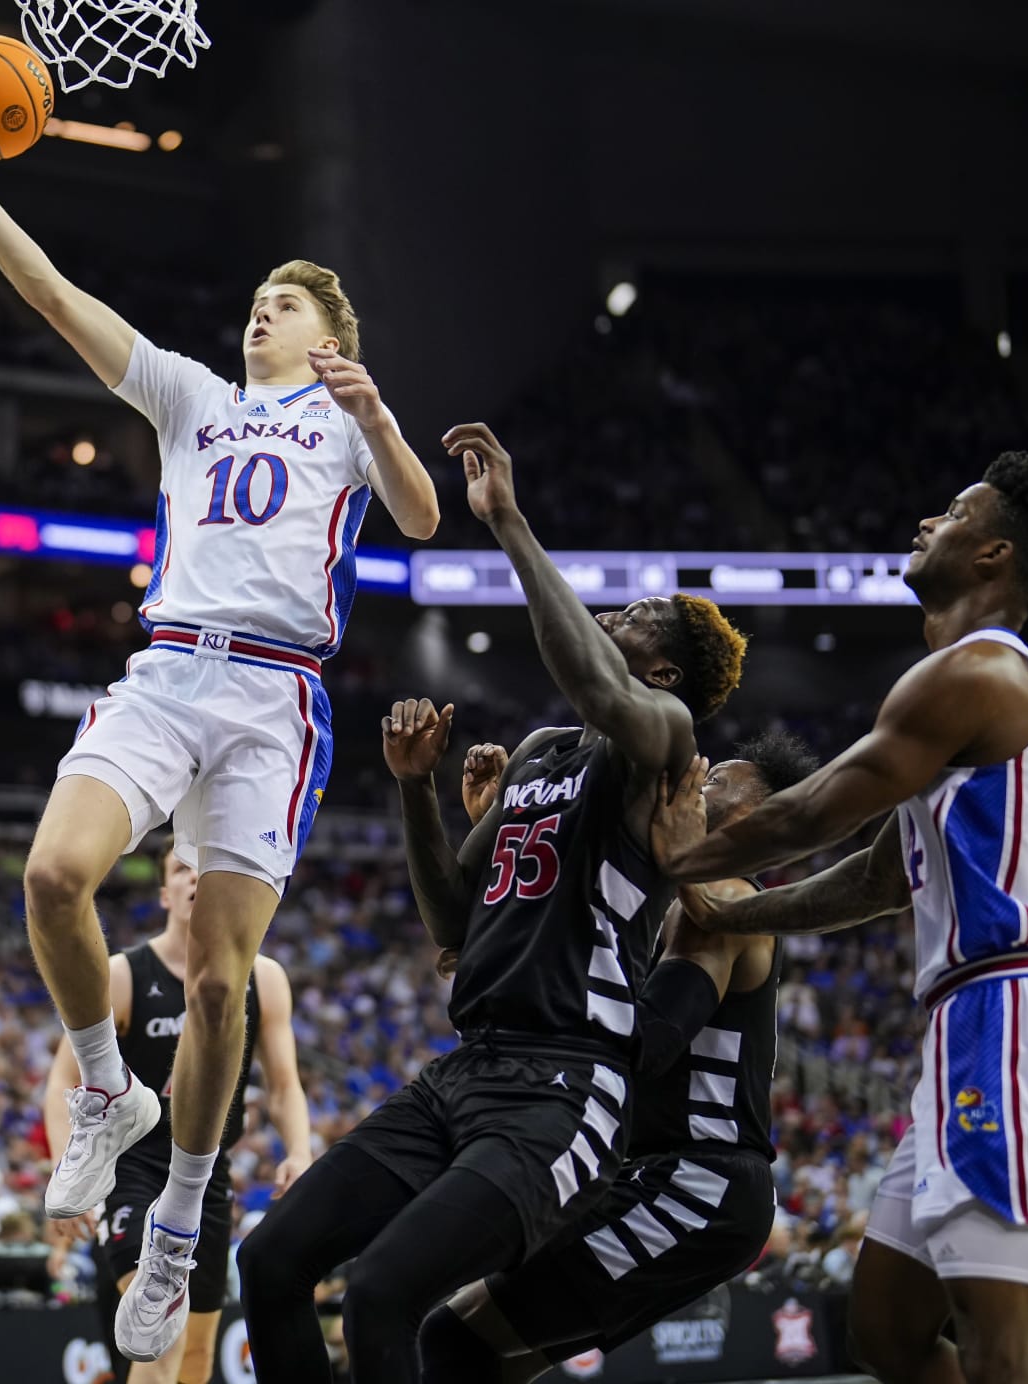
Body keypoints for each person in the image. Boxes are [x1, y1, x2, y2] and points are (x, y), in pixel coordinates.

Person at [0, 85, 438, 1371]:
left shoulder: (345, 418)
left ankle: (178, 1219)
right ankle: (106, 1087)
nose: (263, 306)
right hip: (167, 669)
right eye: (259, 296)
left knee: (219, 982)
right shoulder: (193, 396)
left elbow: (426, 520)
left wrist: (377, 414)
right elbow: (54, 298)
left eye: (289, 298)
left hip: (274, 698)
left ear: (331, 330)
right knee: (52, 876)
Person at [237, 421, 749, 1384]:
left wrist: (507, 520)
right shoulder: (545, 754)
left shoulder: (663, 740)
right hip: (469, 1067)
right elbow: (451, 923)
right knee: (270, 1261)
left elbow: (597, 684)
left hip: (568, 1086)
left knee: (384, 1294)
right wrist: (413, 790)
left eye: (636, 616)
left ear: (668, 673)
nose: (614, 616)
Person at [652, 452, 1028, 1384]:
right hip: (972, 1023)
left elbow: (812, 811)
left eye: (951, 512)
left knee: (1005, 1344)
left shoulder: (976, 670)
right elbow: (873, 880)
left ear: (993, 554)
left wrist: (665, 859)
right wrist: (731, 903)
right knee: (889, 1332)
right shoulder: (965, 693)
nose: (923, 523)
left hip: (1009, 1016)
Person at [419, 736, 816, 1382]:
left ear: (755, 821)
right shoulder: (677, 898)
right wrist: (502, 833)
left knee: (451, 1335)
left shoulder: (719, 901)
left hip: (695, 1180)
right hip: (673, 1177)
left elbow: (649, 1041)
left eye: (715, 783)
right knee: (488, 1357)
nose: (694, 779)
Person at [44, 843, 313, 1384]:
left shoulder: (266, 978)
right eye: (182, 868)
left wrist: (301, 1151)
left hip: (208, 1174)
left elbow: (284, 1085)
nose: (196, 877)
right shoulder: (124, 973)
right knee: (159, 1345)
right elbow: (61, 1083)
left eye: (207, 865)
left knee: (196, 1357)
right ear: (165, 892)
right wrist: (64, 1169)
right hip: (133, 1169)